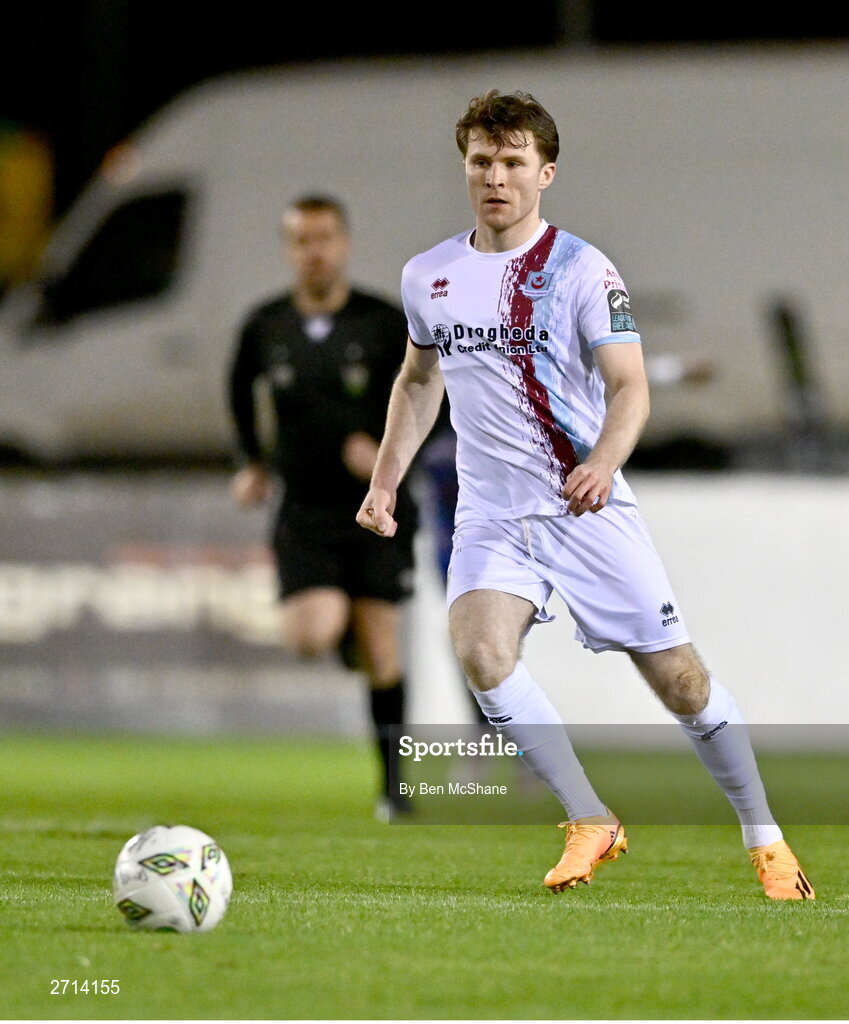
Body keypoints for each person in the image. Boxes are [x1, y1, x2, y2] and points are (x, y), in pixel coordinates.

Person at [357, 90, 815, 899]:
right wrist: (386, 479)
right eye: (480, 162)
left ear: (545, 172)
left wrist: (603, 461)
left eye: (512, 162)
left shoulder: (581, 268)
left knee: (682, 683)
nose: (494, 177)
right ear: (465, 166)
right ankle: (588, 818)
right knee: (480, 650)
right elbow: (418, 379)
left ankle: (764, 835)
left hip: (583, 505)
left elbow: (630, 386)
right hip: (493, 513)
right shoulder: (429, 276)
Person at [229, 194, 417, 821]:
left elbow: (431, 399)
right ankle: (341, 636)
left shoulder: (385, 324)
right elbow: (238, 391)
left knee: (383, 649)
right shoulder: (265, 326)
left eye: (325, 237)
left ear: (345, 243)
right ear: (288, 249)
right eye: (301, 240)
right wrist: (251, 462)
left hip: (377, 506)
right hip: (305, 509)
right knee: (311, 634)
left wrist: (390, 454)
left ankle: (394, 790)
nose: (315, 251)